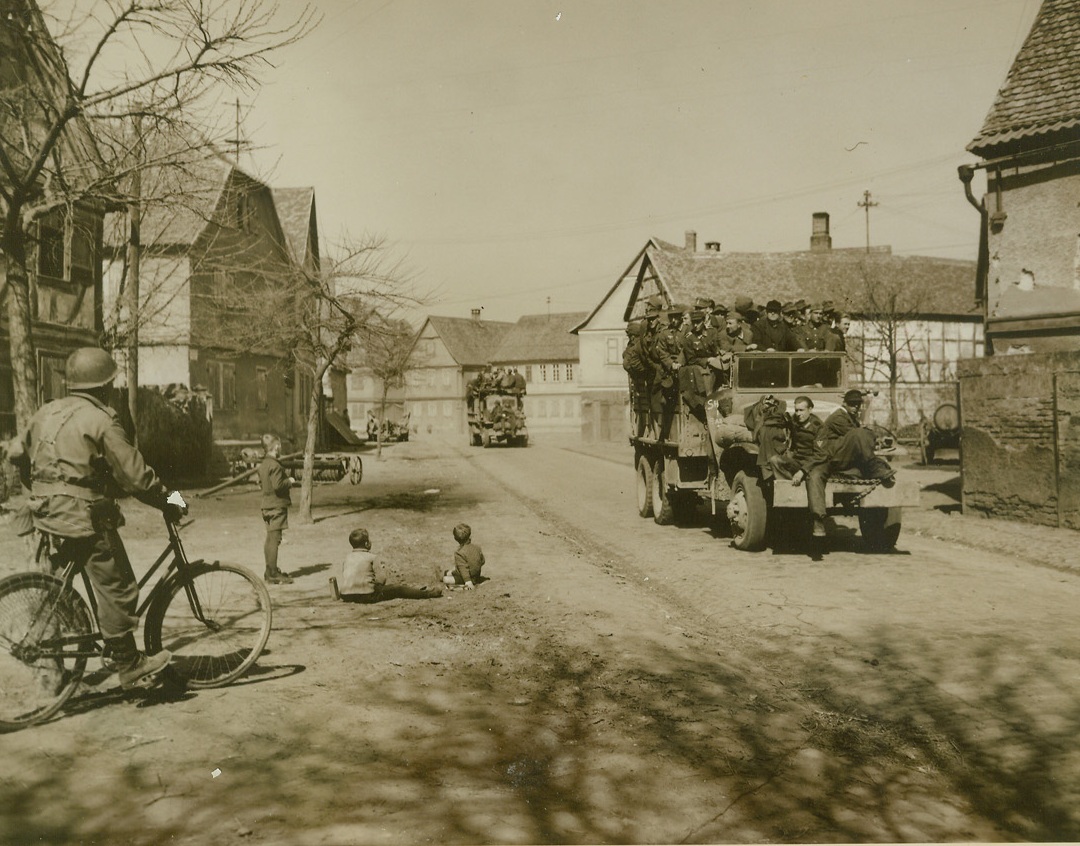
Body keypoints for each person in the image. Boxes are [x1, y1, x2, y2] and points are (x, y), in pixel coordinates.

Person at [9, 347, 177, 690]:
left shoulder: (46, 411)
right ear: (104, 385)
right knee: (119, 586)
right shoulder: (102, 419)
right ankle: (129, 663)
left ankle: (62, 666)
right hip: (81, 517)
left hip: (45, 514)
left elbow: (15, 454)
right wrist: (173, 500)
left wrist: (39, 489)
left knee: (61, 587)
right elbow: (137, 477)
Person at [804, 389, 896, 538]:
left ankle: (876, 468)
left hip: (842, 455)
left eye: (858, 404)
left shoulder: (850, 417)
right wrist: (872, 437)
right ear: (844, 403)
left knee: (862, 438)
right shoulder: (839, 417)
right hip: (831, 456)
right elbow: (859, 435)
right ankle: (874, 468)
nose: (856, 407)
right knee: (859, 434)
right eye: (852, 404)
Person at [331, 528, 443, 602]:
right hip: (366, 595)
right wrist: (377, 584)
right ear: (367, 543)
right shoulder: (372, 557)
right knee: (397, 589)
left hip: (346, 595)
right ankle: (427, 594)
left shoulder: (347, 557)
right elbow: (382, 579)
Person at [258, 434, 294, 584]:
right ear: (275, 447)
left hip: (266, 505)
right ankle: (273, 573)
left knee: (269, 538)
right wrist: (290, 481)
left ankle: (269, 570)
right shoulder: (275, 465)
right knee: (275, 539)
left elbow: (260, 483)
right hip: (276, 506)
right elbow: (278, 485)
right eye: (279, 445)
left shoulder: (263, 464)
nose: (280, 448)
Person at [769, 396, 823, 482]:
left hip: (811, 464)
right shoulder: (795, 419)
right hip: (797, 460)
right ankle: (787, 486)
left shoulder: (818, 426)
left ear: (810, 409)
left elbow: (819, 455)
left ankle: (796, 485)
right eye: (796, 410)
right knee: (774, 460)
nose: (798, 414)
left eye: (801, 410)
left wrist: (802, 471)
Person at [622, 319, 651, 436]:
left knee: (643, 408)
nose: (629, 338)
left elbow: (627, 364)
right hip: (643, 384)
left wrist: (638, 374)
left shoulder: (634, 346)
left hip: (641, 384)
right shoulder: (640, 344)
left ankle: (643, 431)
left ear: (633, 336)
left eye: (629, 335)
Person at [443, 523, 485, 589]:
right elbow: (482, 561)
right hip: (476, 576)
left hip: (467, 578)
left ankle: (444, 575)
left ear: (455, 538)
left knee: (445, 579)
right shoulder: (477, 547)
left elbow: (463, 570)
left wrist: (468, 582)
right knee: (452, 571)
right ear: (469, 535)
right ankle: (446, 572)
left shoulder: (459, 553)